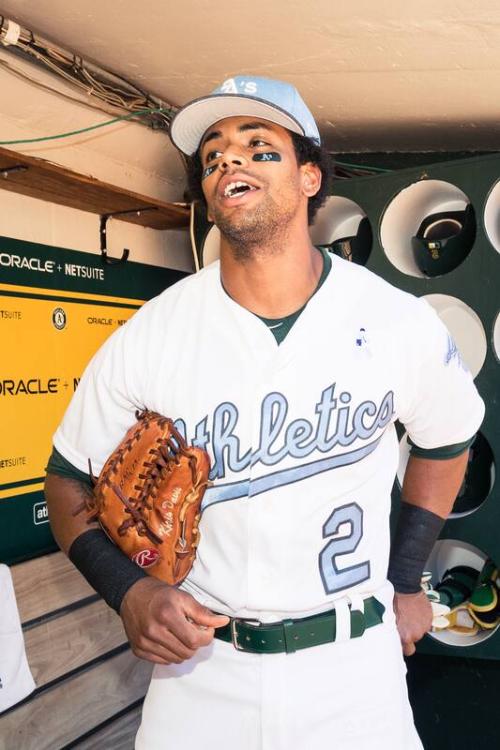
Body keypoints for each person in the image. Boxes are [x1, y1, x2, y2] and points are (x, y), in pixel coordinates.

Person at [44, 75, 484, 750]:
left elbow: (448, 439)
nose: (229, 160)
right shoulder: (152, 333)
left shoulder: (396, 320)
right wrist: (127, 590)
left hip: (354, 664)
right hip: (203, 671)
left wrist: (407, 579)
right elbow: (66, 476)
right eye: (214, 153)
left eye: (258, 144)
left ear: (310, 178)